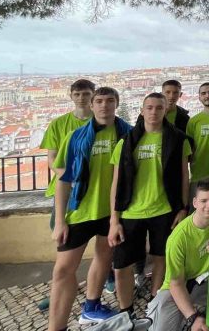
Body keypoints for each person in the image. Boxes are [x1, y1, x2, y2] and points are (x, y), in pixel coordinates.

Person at [48, 87, 132, 331]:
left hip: (112, 212)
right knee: (63, 270)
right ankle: (56, 326)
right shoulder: (76, 137)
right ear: (92, 105)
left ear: (116, 104)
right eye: (100, 101)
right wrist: (61, 221)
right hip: (80, 210)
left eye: (109, 101)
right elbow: (64, 180)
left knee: (104, 258)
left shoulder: (127, 134)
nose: (104, 105)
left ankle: (91, 306)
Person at [108, 93, 191, 314]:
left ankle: (155, 303)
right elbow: (116, 182)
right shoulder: (126, 141)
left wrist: (183, 208)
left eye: (159, 108)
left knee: (161, 257)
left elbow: (184, 177)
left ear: (165, 111)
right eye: (150, 107)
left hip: (164, 209)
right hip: (130, 212)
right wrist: (114, 220)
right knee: (122, 264)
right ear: (142, 111)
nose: (154, 112)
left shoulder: (178, 140)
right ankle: (126, 310)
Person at [145, 176, 209, 331]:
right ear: (195, 202)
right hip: (180, 285)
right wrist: (193, 317)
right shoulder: (178, 238)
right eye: (204, 201)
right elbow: (175, 284)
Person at [38, 79, 97, 311]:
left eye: (86, 94)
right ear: (71, 96)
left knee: (105, 245)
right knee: (64, 244)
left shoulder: (102, 122)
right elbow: (52, 160)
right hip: (66, 193)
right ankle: (59, 289)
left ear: (92, 96)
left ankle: (106, 279)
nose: (82, 98)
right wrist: (72, 177)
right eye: (78, 94)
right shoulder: (59, 124)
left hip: (97, 191)